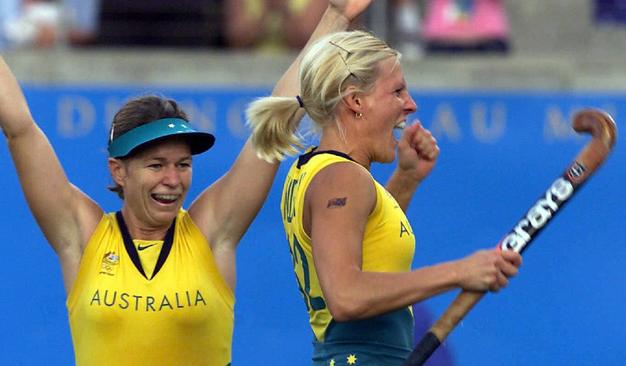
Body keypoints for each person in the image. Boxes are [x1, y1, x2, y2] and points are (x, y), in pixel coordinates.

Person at [0, 0, 372, 365]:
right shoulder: (82, 235)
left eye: (183, 164)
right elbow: (19, 127)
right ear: (118, 171)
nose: (173, 180)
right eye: (156, 165)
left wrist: (334, 17)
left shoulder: (210, 232)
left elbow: (277, 117)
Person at [246, 29, 522, 365]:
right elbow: (345, 296)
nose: (411, 104)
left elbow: (366, 241)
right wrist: (460, 272)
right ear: (355, 101)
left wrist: (406, 179)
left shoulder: (321, 171)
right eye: (397, 91)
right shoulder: (341, 179)